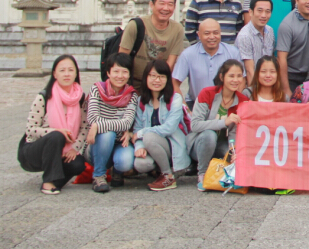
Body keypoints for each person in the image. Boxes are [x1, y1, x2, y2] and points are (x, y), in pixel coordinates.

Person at [18, 55, 90, 195]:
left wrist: (74, 148)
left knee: (78, 164)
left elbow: (85, 127)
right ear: (54, 74)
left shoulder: (80, 98)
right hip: (34, 150)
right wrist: (57, 131)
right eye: (62, 70)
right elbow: (30, 130)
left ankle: (54, 181)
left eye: (71, 70)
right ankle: (48, 182)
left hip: (63, 150)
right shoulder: (44, 96)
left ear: (76, 73)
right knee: (57, 136)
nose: (67, 74)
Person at [188, 59, 248, 191]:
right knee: (209, 135)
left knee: (234, 154)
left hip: (222, 144)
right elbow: (195, 125)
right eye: (231, 76)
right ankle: (202, 174)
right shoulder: (207, 93)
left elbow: (235, 132)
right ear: (222, 77)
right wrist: (224, 122)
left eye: (239, 76)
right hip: (200, 144)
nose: (235, 80)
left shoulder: (243, 100)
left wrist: (234, 150)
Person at [132, 59, 191, 191]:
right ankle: (159, 169)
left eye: (161, 76)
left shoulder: (175, 99)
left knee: (148, 137)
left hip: (173, 146)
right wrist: (140, 147)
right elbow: (137, 128)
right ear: (146, 78)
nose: (157, 80)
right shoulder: (141, 101)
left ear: (167, 79)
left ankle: (168, 176)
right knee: (141, 164)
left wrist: (142, 134)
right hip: (152, 145)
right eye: (153, 76)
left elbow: (169, 128)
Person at [87, 53, 138, 193]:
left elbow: (126, 123)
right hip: (97, 144)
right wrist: (101, 125)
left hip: (120, 142)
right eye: (116, 71)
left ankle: (117, 171)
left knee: (124, 162)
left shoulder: (132, 95)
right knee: (107, 134)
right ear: (108, 73)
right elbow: (92, 117)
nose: (120, 76)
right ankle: (98, 176)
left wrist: (98, 125)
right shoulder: (97, 89)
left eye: (124, 72)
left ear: (129, 74)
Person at [118, 0, 186, 89]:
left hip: (158, 84)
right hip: (133, 84)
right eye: (161, 3)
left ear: (175, 7)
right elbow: (122, 58)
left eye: (170, 4)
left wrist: (157, 84)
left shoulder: (177, 29)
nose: (165, 8)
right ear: (151, 5)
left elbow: (170, 63)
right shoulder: (135, 25)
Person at [172, 18, 243, 107]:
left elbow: (242, 80)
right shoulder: (188, 54)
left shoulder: (233, 53)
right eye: (207, 33)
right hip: (196, 104)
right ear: (199, 35)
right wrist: (185, 108)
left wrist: (234, 104)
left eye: (215, 33)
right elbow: (174, 83)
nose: (212, 37)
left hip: (226, 105)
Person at [237, 0, 275, 85]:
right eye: (259, 11)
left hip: (266, 81)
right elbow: (249, 71)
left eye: (267, 11)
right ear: (250, 12)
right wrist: (255, 92)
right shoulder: (245, 35)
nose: (263, 15)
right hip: (249, 85)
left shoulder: (270, 31)